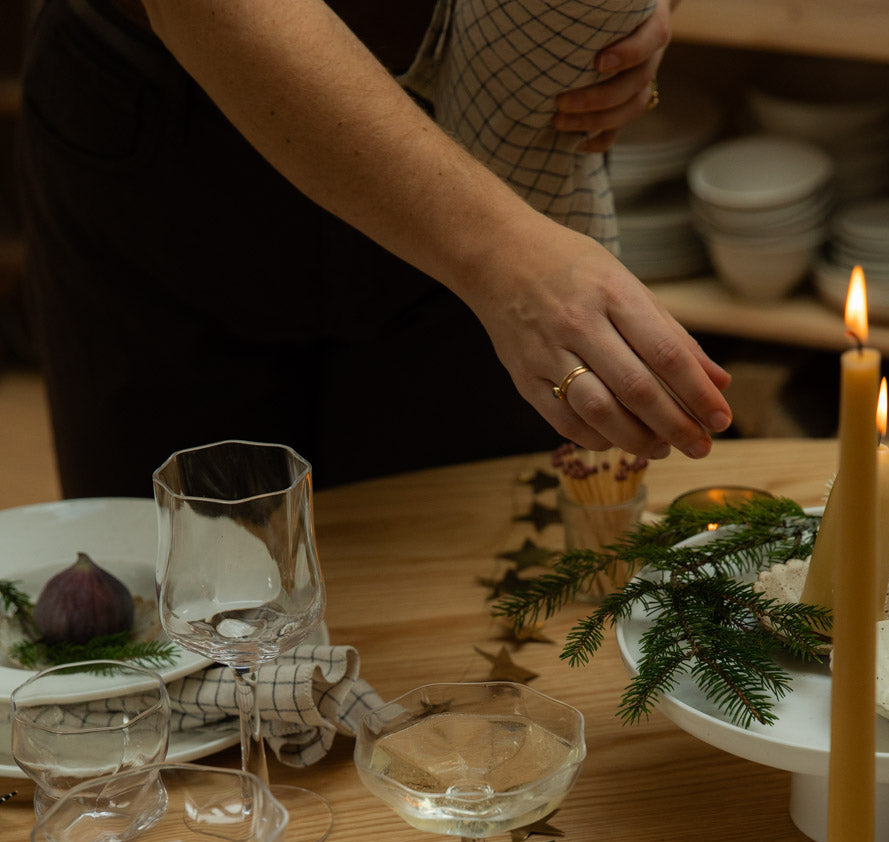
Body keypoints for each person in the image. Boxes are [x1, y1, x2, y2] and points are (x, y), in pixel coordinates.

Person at [16, 0, 732, 498]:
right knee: (193, 601)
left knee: (456, 597)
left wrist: (617, 20)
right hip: (173, 142)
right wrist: (504, 256)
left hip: (480, 120)